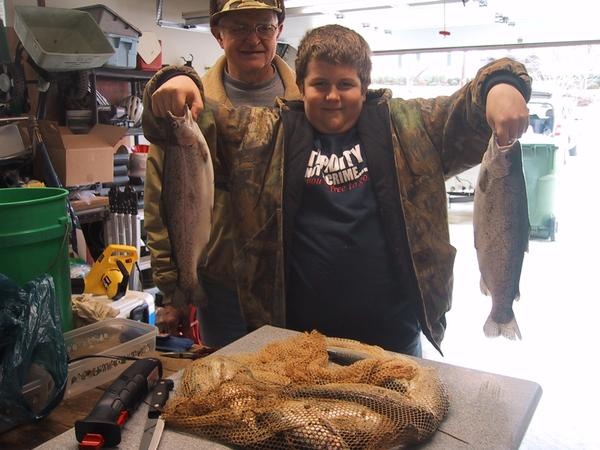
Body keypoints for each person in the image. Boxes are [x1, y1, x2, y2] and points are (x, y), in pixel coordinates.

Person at [143, 24, 530, 356]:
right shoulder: (259, 135)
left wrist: (503, 85)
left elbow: (467, 109)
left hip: (393, 338)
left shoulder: (413, 129)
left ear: (364, 87)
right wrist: (174, 81)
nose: (332, 96)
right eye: (320, 84)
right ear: (300, 86)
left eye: (346, 84)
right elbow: (186, 121)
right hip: (292, 342)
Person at [143, 0, 300, 346]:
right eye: (238, 28)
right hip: (222, 289)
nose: (252, 39)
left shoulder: (306, 103)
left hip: (294, 283)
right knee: (228, 389)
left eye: (263, 27)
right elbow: (161, 205)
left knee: (293, 387)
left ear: (280, 30)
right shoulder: (190, 111)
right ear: (218, 34)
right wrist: (173, 289)